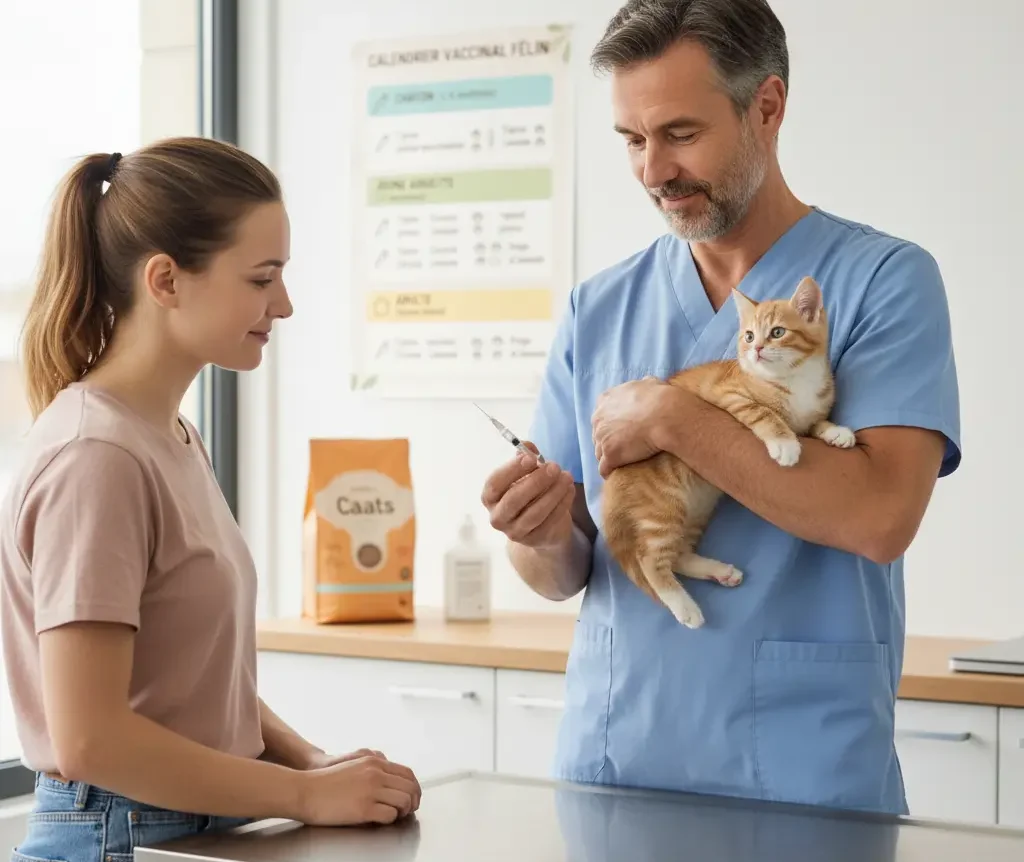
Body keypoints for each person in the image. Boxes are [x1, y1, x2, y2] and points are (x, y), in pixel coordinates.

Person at [481, 0, 960, 816]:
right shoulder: (600, 307)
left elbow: (881, 514)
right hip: (618, 756)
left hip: (804, 770)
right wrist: (538, 530)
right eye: (632, 141)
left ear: (766, 108)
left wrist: (676, 418)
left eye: (680, 133)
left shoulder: (883, 282)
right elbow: (561, 570)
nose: (653, 171)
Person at [0, 137, 420, 862]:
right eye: (262, 278)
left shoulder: (171, 436)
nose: (283, 304)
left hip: (187, 827)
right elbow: (90, 738)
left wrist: (309, 760)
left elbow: (187, 680)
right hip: (119, 835)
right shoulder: (96, 458)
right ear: (165, 280)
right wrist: (303, 796)